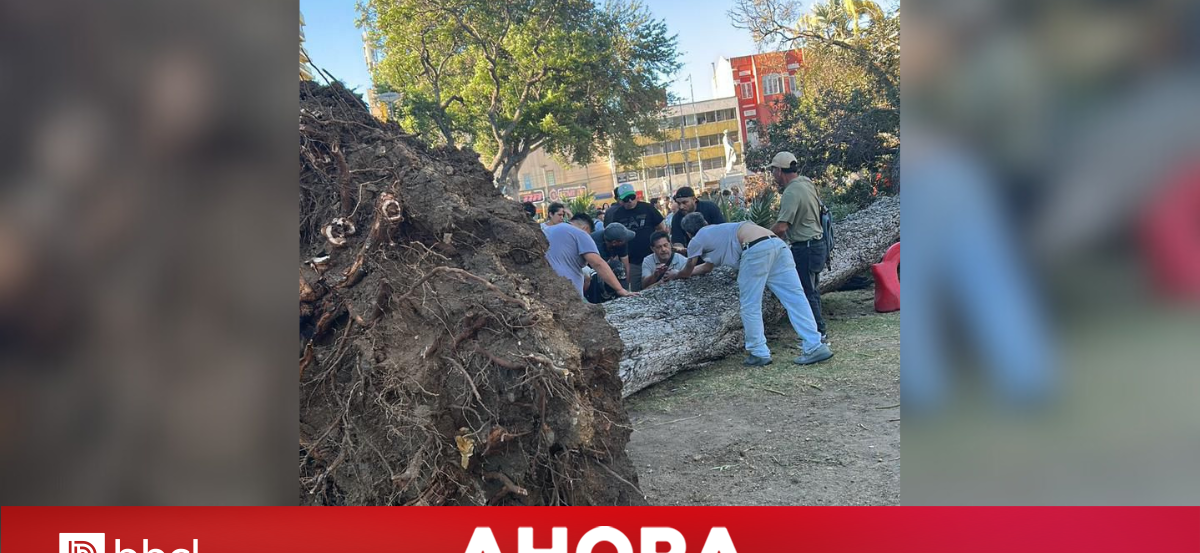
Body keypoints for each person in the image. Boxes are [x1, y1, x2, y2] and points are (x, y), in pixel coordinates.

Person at [674, 212, 833, 366]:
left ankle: (758, 352)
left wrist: (676, 274)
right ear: (705, 223)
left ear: (688, 233)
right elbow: (708, 267)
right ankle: (814, 345)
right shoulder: (721, 230)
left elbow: (688, 269)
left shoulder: (697, 239)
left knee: (750, 304)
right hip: (777, 244)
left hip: (755, 248)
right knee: (796, 298)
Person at [766, 151, 828, 341]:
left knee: (806, 293)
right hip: (818, 244)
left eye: (773, 170)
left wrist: (761, 236)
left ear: (779, 171)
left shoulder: (791, 192)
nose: (773, 175)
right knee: (813, 290)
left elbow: (782, 227)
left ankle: (817, 334)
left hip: (805, 248)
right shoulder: (806, 182)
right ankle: (819, 330)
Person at [543, 212, 634, 300]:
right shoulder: (580, 233)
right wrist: (620, 289)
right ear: (585, 228)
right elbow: (598, 263)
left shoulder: (547, 230)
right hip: (569, 290)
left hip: (547, 288)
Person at [604, 183, 665, 292]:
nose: (630, 201)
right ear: (620, 200)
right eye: (626, 199)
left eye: (632, 197)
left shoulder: (647, 208)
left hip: (652, 256)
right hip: (632, 260)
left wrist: (658, 246)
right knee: (637, 291)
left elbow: (662, 228)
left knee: (658, 286)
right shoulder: (617, 214)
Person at [670, 186, 725, 253]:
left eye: (685, 203)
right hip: (694, 253)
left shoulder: (710, 208)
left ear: (694, 199)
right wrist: (681, 249)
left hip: (716, 249)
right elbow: (677, 241)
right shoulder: (677, 218)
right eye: (678, 203)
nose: (681, 207)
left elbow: (722, 229)